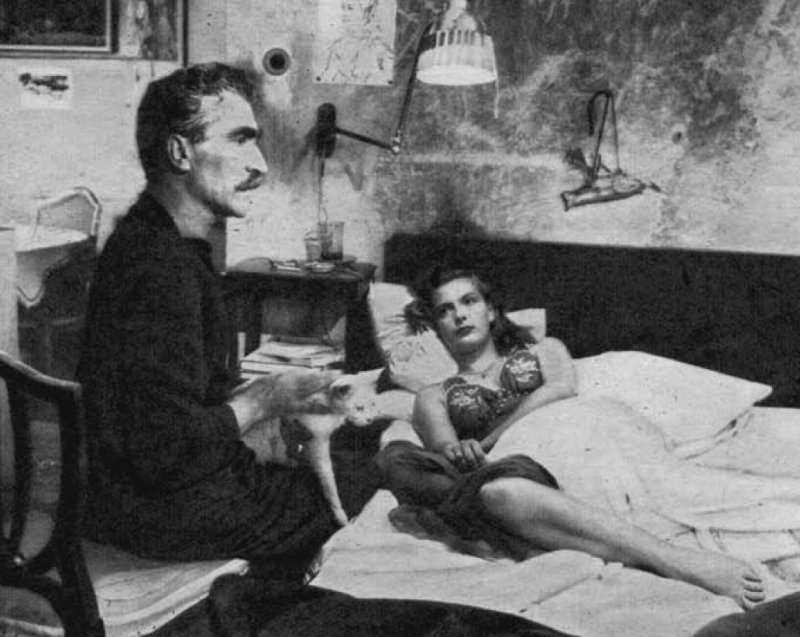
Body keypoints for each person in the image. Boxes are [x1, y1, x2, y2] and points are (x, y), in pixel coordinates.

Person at [77, 62, 377, 580]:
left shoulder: (156, 240)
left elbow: (174, 399)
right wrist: (264, 399)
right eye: (240, 140)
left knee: (350, 468)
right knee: (367, 486)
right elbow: (164, 450)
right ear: (180, 152)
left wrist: (274, 400)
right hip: (158, 512)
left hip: (146, 494)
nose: (259, 165)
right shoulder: (161, 268)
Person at [376, 266, 790, 610]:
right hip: (520, 468)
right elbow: (444, 450)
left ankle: (674, 559)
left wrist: (487, 440)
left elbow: (560, 389)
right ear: (436, 327)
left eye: (469, 302)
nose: (459, 316)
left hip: (579, 434)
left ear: (491, 310)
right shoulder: (433, 394)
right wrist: (465, 450)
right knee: (482, 487)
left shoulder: (544, 349)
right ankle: (668, 558)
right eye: (445, 310)